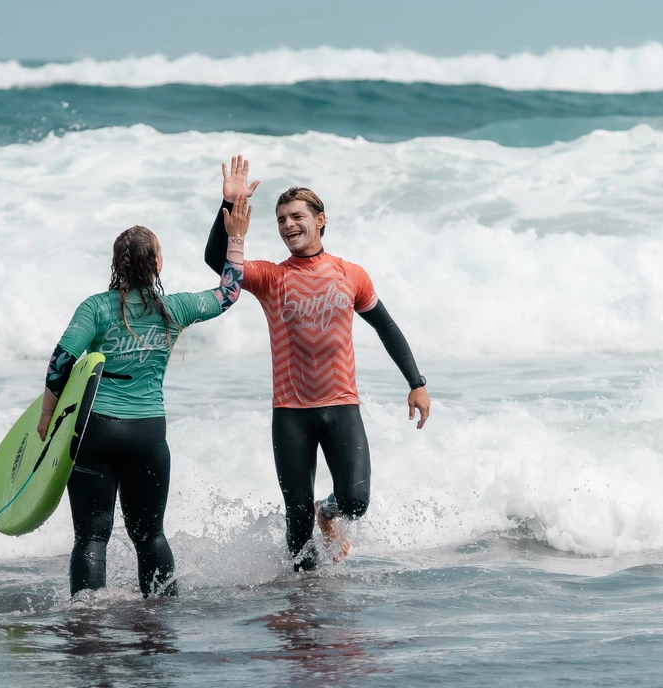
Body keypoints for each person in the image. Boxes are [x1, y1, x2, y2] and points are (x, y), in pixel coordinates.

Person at [204, 156, 430, 570]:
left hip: (340, 405)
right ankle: (304, 605)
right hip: (290, 413)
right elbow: (219, 263)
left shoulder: (350, 274)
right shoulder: (270, 276)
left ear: (320, 220)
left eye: (296, 216)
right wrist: (227, 209)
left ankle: (328, 512)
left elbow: (387, 326)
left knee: (356, 502)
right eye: (280, 219)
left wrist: (416, 382)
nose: (288, 225)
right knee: (296, 525)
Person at [38, 196, 252, 597]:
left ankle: (87, 621)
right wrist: (235, 237)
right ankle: (160, 619)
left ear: (116, 265)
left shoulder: (96, 308)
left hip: (95, 432)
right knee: (150, 536)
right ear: (157, 265)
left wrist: (47, 415)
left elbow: (62, 359)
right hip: (148, 434)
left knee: (91, 537)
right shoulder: (175, 308)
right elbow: (229, 293)